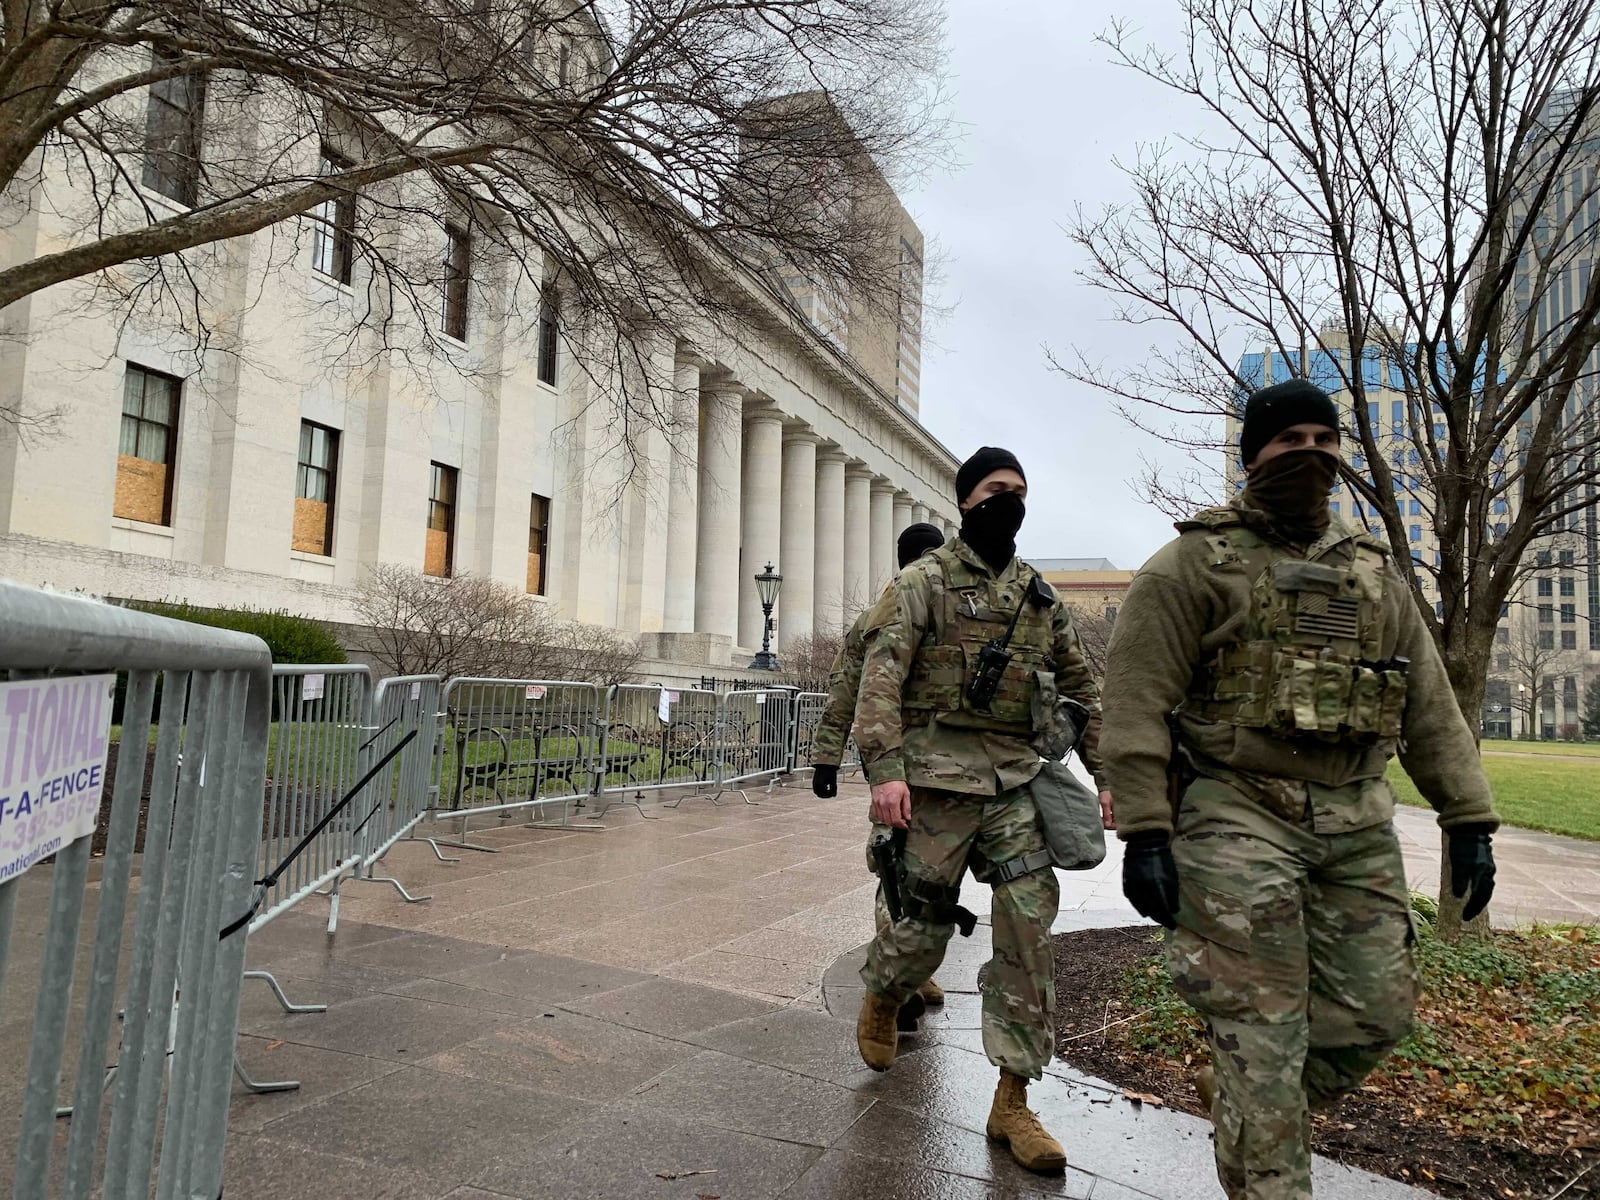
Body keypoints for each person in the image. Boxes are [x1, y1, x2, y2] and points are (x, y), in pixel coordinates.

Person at [1098, 378, 1500, 1200]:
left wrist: (1470, 818)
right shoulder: (1188, 566)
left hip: (1356, 816)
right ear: (1252, 455)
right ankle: (1265, 1131)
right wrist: (1145, 832)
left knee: (1376, 1018)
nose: (1311, 456)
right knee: (1264, 1031)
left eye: (1325, 441)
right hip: (1236, 810)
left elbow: (1427, 701)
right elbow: (1135, 704)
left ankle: (1249, 1100)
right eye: (1290, 442)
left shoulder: (1376, 575)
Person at [850, 447, 1111, 1174]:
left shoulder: (1038, 597)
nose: (1011, 501)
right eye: (998, 489)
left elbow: (1082, 690)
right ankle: (884, 989)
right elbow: (880, 677)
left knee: (1029, 930)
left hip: (1015, 785)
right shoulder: (921, 583)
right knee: (923, 925)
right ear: (966, 500)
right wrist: (886, 772)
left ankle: (1013, 1103)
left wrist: (1110, 773)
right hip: (933, 783)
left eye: (1021, 491)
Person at [811, 522, 948, 1009]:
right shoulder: (953, 609)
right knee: (928, 874)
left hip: (896, 762)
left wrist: (827, 758)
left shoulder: (874, 616)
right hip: (944, 764)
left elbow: (843, 693)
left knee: (897, 869)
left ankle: (909, 974)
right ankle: (904, 978)